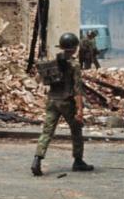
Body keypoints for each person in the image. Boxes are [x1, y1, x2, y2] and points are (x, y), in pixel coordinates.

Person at [31, 32, 94, 176]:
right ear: (74, 48)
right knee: (76, 130)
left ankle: (37, 159)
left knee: (47, 132)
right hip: (67, 102)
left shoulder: (53, 62)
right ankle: (78, 161)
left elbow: (39, 79)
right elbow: (78, 89)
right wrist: (80, 110)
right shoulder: (74, 64)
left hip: (52, 100)